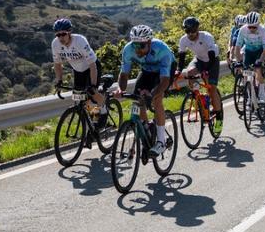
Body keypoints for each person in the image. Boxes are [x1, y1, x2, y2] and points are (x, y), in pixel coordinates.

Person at [115, 24, 175, 155]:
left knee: (157, 100)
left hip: (163, 73)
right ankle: (147, 129)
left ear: (149, 42)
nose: (138, 50)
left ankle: (161, 142)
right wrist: (120, 89)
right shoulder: (128, 49)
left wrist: (151, 94)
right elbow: (124, 74)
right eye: (135, 45)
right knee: (137, 101)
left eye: (141, 46)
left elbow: (164, 81)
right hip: (147, 71)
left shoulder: (161, 49)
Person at [51, 18, 108, 128]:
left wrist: (92, 85)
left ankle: (103, 110)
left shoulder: (80, 41)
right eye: (58, 35)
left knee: (93, 93)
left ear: (69, 32)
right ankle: (94, 122)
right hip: (78, 71)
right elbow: (57, 64)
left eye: (63, 34)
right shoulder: (55, 44)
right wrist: (59, 81)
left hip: (91, 67)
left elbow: (92, 65)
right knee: (81, 97)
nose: (61, 38)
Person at [177, 16, 223, 120]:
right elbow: (182, 56)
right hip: (199, 59)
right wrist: (179, 70)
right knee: (190, 73)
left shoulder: (206, 36)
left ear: (197, 29)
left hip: (212, 60)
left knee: (211, 89)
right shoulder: (183, 40)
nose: (190, 34)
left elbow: (211, 55)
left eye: (192, 31)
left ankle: (219, 116)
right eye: (187, 31)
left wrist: (207, 70)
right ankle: (198, 97)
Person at [233, 10, 265, 106]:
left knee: (257, 70)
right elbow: (237, 47)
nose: (252, 29)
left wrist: (260, 60)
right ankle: (249, 96)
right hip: (249, 52)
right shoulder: (243, 30)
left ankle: (262, 94)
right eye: (250, 26)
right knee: (246, 73)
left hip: (260, 52)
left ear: (258, 24)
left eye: (254, 27)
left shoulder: (263, 30)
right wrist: (238, 61)